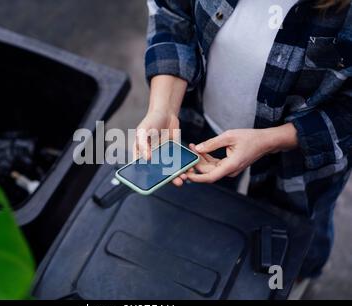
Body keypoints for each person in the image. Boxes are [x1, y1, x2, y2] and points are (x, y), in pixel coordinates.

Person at [134, 0, 352, 280]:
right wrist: (162, 107)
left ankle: (288, 283)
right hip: (197, 123)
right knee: (189, 216)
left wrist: (273, 140)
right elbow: (173, 14)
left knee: (287, 248)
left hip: (302, 160)